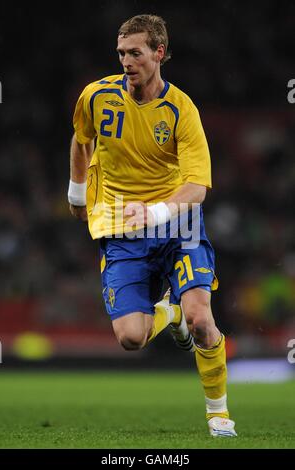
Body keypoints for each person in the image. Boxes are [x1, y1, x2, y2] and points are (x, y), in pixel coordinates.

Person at [68, 14, 237, 437]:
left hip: (177, 224)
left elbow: (197, 186)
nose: (126, 61)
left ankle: (218, 415)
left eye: (136, 53)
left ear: (159, 53)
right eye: (121, 52)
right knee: (130, 338)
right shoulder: (96, 95)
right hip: (122, 228)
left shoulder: (182, 110)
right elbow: (80, 138)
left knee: (202, 321)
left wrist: (157, 211)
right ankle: (169, 311)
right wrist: (75, 192)